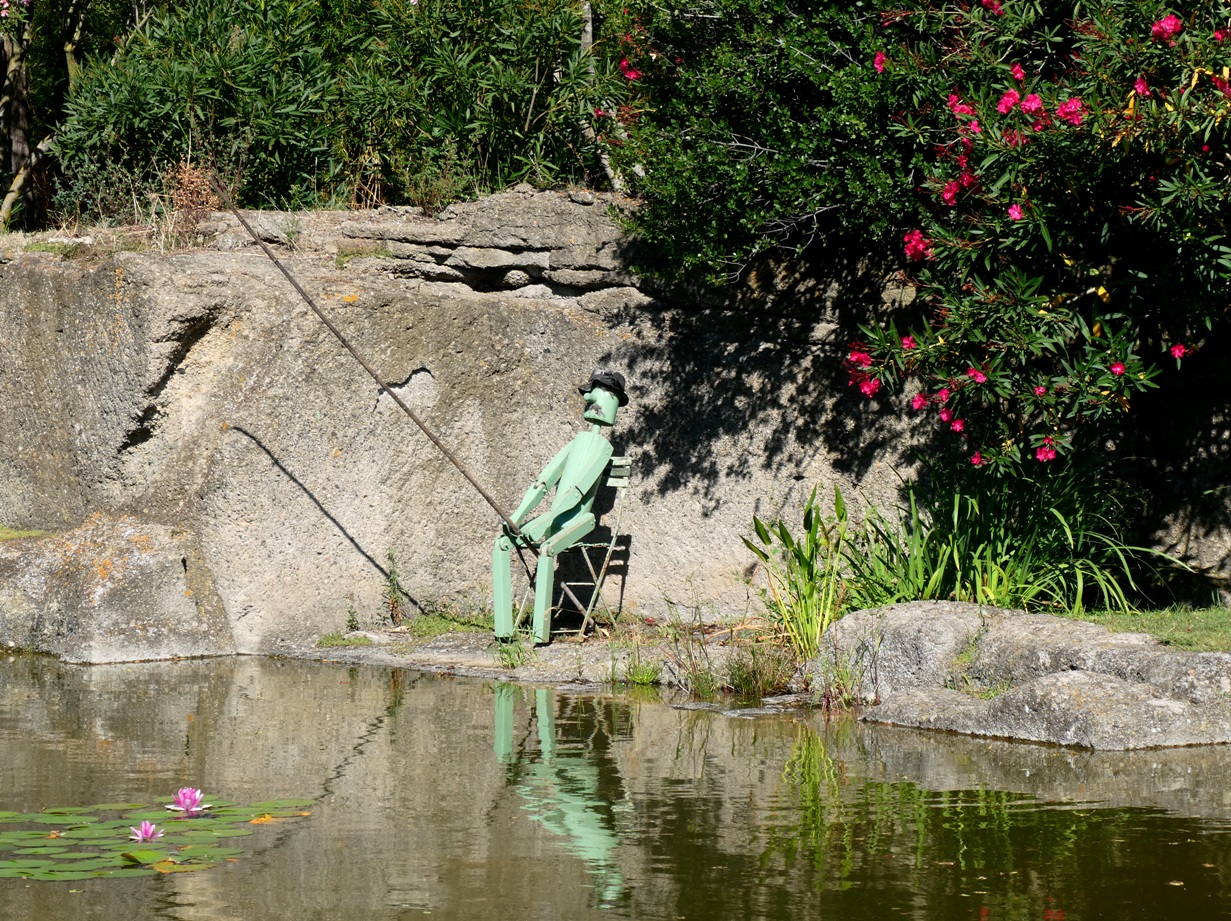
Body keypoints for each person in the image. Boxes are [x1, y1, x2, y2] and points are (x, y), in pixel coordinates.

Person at [493, 369, 628, 644]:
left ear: (610, 399)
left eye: (594, 392)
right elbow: (543, 481)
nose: (587, 398)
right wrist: (517, 516)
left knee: (545, 549)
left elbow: (579, 492)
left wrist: (548, 519)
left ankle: (540, 634)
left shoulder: (603, 449)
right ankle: (504, 630)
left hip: (581, 518)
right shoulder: (576, 442)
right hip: (554, 519)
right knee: (502, 544)